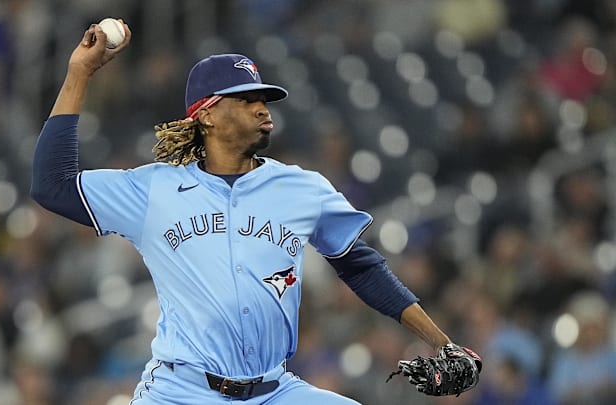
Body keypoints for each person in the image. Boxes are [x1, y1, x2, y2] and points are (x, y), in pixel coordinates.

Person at [30, 20, 482, 404]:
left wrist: (443, 344)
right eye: (245, 98)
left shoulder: (302, 188)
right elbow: (52, 185)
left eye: (262, 96)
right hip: (181, 391)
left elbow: (361, 267)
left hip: (274, 391)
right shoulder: (155, 189)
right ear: (206, 115)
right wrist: (79, 73)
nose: (261, 107)